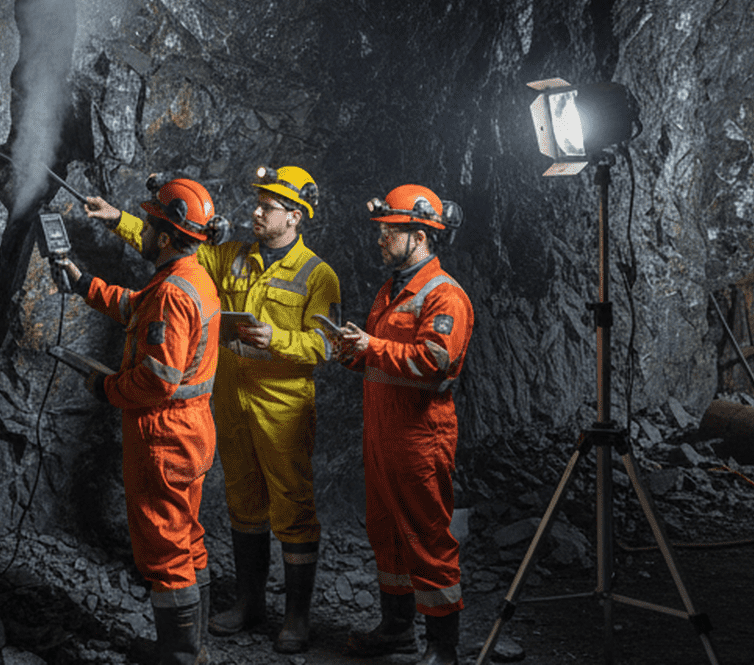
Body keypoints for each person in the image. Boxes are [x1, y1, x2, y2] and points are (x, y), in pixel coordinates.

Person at [85, 166, 341, 653]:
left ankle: (296, 619)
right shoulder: (232, 259)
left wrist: (279, 339)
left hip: (283, 408)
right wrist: (116, 217)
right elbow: (177, 240)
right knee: (243, 505)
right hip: (227, 401)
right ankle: (249, 604)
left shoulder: (317, 274)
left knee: (292, 508)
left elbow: (329, 346)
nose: (257, 211)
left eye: (269, 206)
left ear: (296, 217)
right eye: (258, 203)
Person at [56, 175, 225, 665]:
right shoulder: (190, 278)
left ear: (168, 236)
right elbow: (137, 308)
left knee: (164, 548)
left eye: (150, 223)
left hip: (164, 435)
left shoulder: (173, 292)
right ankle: (195, 650)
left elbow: (156, 380)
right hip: (191, 430)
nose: (144, 231)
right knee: (188, 536)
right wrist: (86, 285)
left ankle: (176, 657)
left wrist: (104, 386)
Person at [337, 184, 474, 665]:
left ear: (419, 235)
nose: (379, 239)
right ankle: (396, 630)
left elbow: (434, 362)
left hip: (420, 438)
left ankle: (443, 649)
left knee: (427, 537)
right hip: (383, 433)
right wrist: (355, 354)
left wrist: (372, 347)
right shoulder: (392, 289)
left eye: (388, 231)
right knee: (387, 532)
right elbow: (387, 359)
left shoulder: (444, 296)